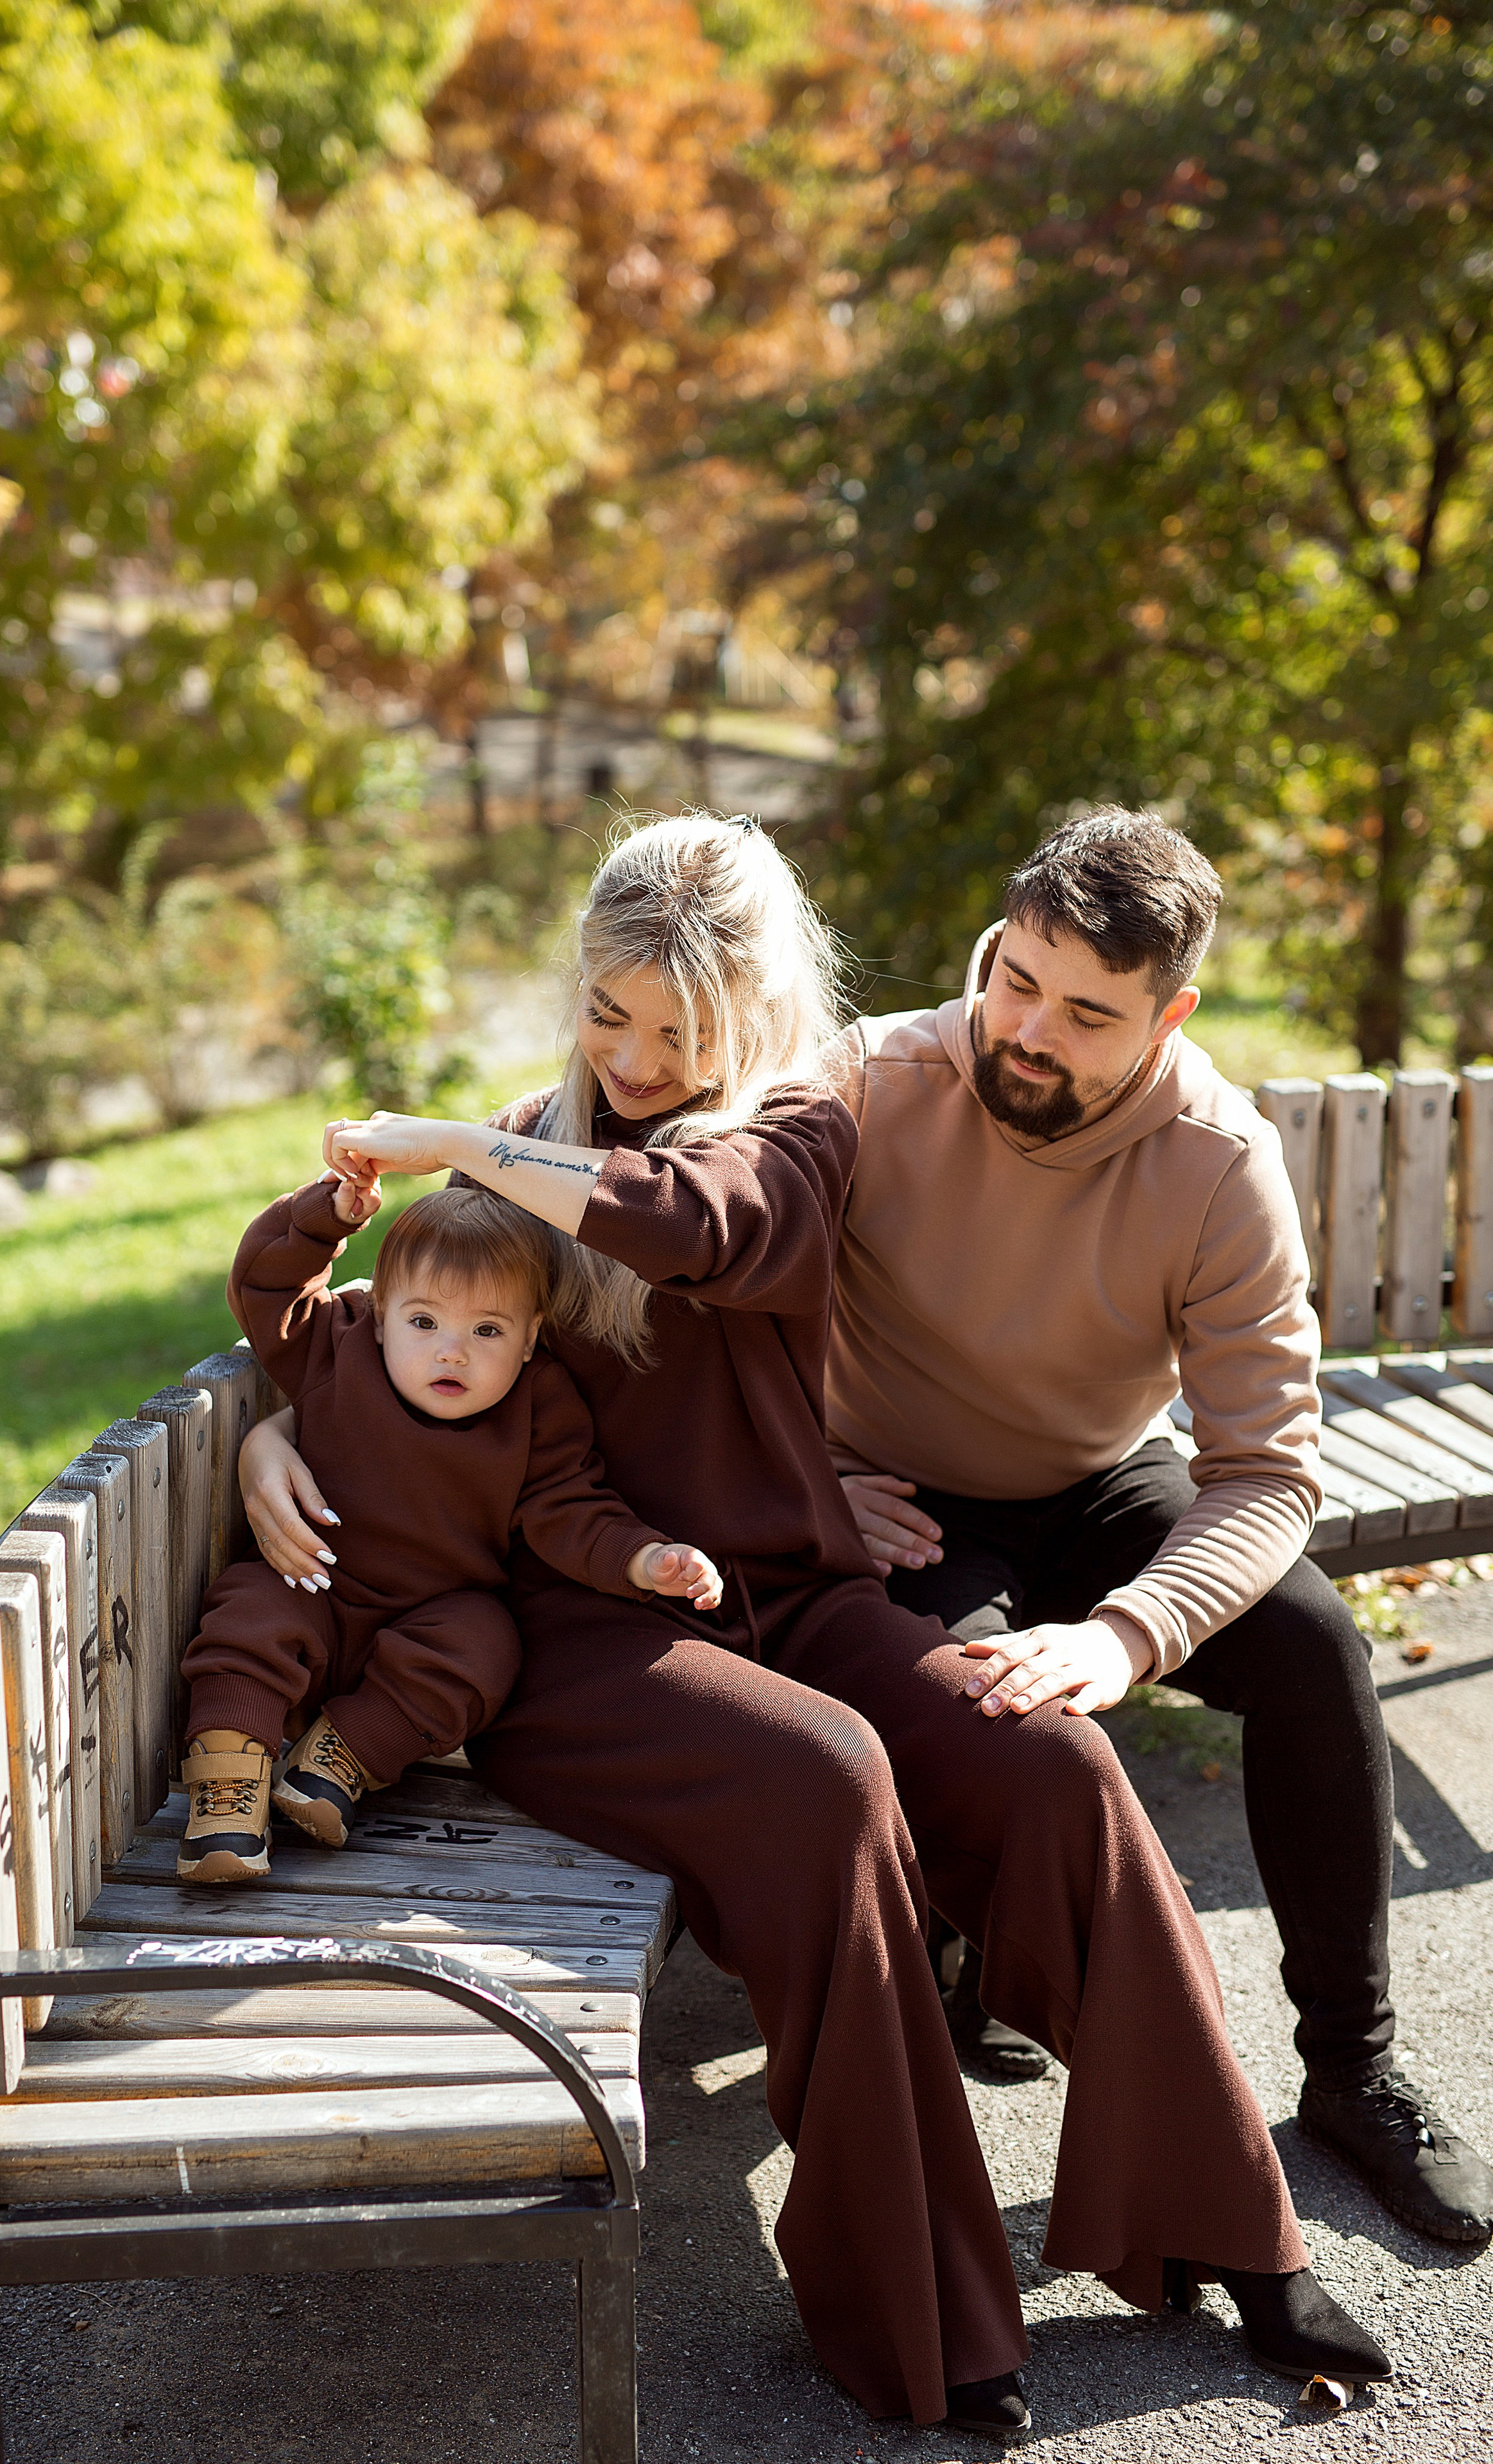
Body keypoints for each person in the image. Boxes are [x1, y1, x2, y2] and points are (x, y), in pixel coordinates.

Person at [239, 813, 1390, 2439]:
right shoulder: (514, 1146)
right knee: (829, 1778)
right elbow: (386, 1324)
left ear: (753, 1018)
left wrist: (460, 1141)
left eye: (682, 1032)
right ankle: (907, 2299)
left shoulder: (787, 1132)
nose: (638, 1059)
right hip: (580, 1631)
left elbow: (689, 1224)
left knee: (1045, 1755)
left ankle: (1222, 2226)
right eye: (610, 1016)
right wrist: (273, 1427)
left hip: (790, 1592)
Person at [828, 805, 1493, 2250]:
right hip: (885, 1494)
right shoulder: (869, 1078)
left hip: (1092, 1475)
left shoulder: (1215, 1158)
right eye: (1013, 978)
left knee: (1316, 1651)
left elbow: (1266, 1473)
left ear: (1166, 1016)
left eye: (1084, 1014)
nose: (1025, 1029)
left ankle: (1352, 2076)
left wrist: (1132, 1632)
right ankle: (961, 1970)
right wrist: (793, 1483)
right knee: (995, 1713)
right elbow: (666, 1245)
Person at [177, 1176, 721, 1883]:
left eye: (487, 1330)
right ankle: (227, 1793)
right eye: (424, 1322)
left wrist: (645, 1558)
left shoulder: (540, 1409)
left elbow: (573, 1509)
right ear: (380, 1316)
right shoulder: (338, 1350)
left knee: (484, 1647)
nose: (451, 1352)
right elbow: (264, 1290)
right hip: (312, 1578)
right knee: (247, 1618)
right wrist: (322, 1220)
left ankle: (336, 1762)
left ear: (530, 1341)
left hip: (431, 1612)